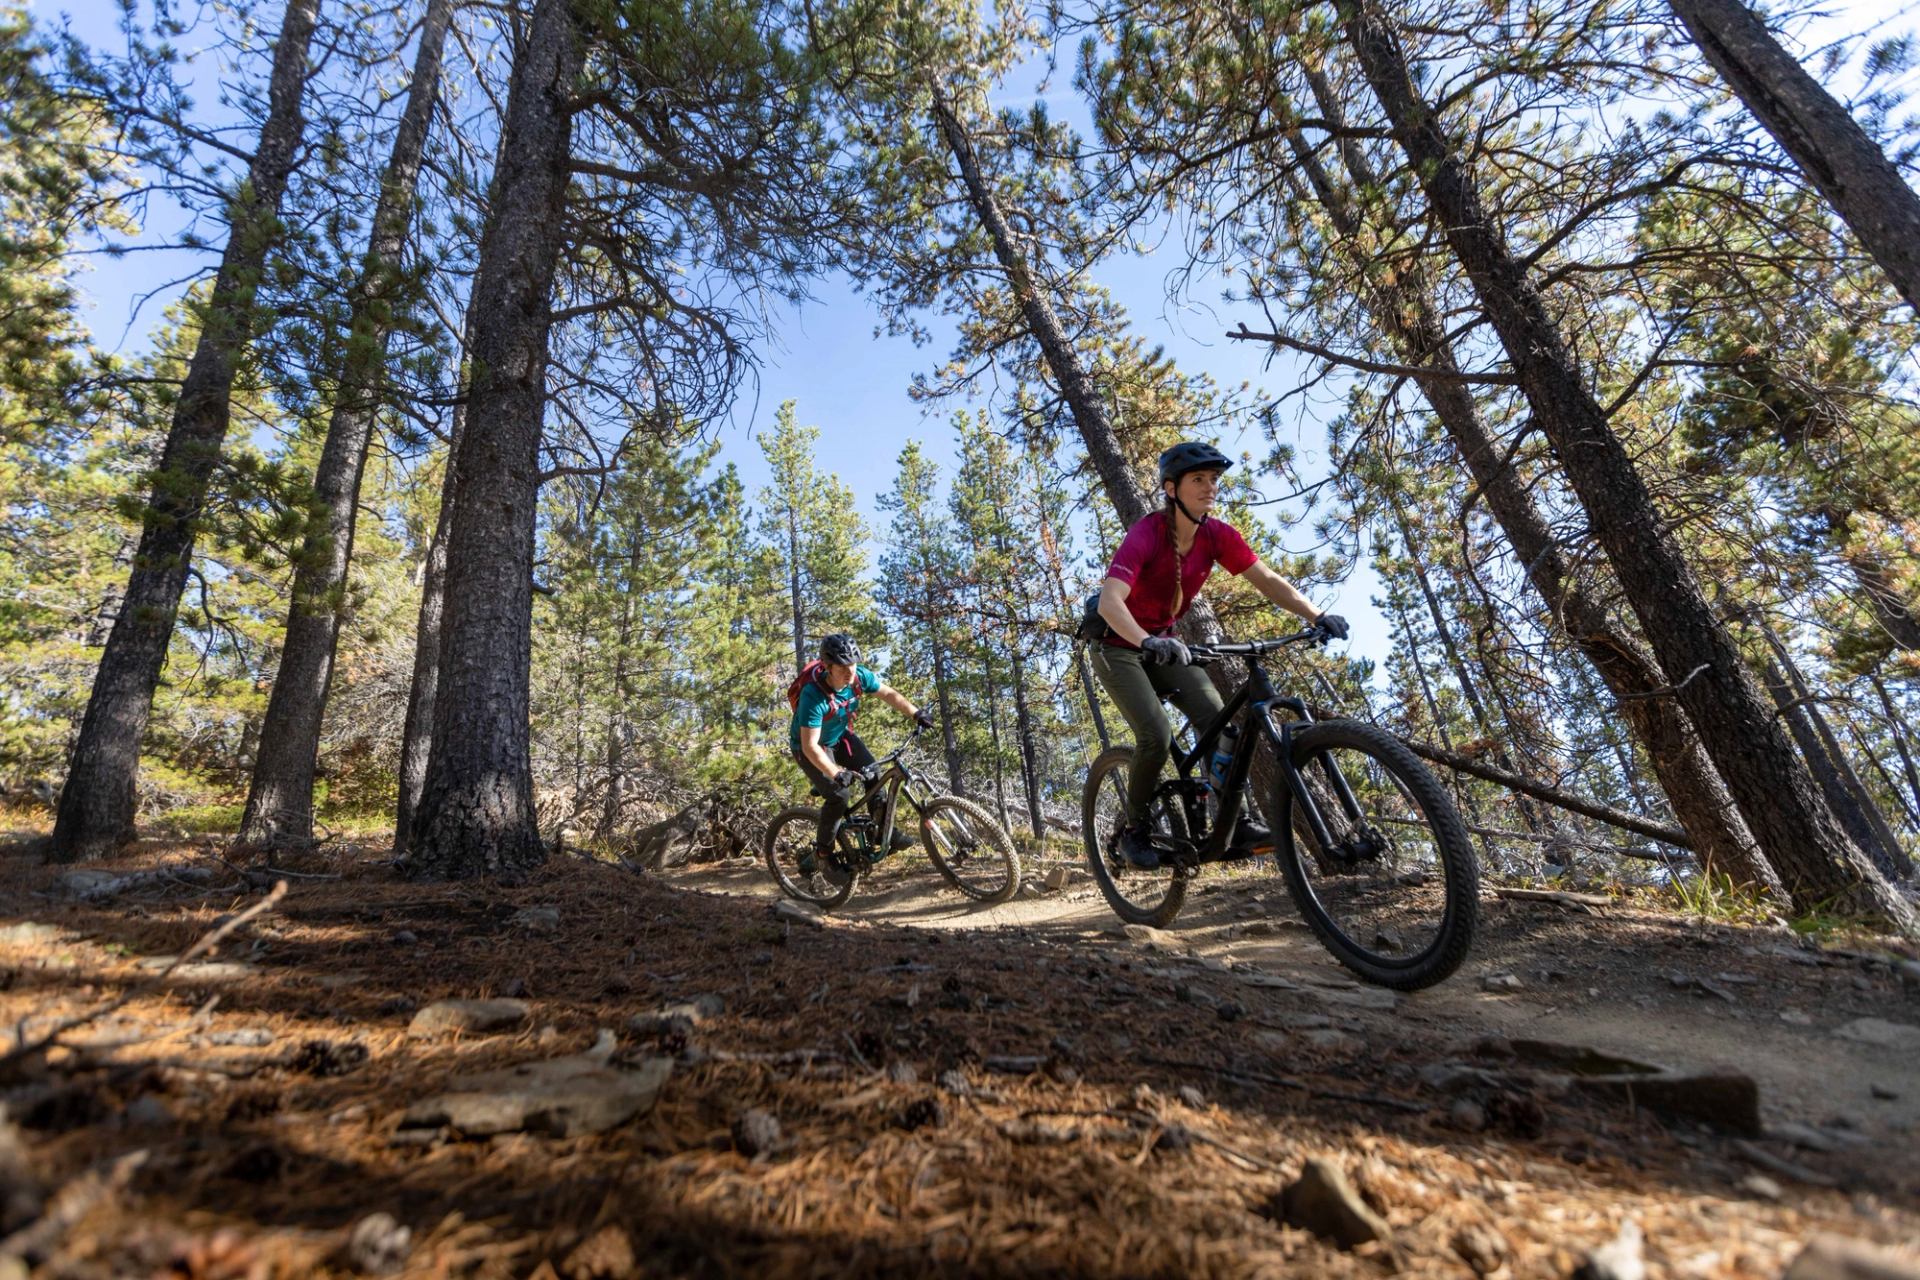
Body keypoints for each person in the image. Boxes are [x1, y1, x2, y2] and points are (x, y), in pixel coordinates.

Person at [1093, 442, 1349, 869]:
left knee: (1217, 722)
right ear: (1171, 489)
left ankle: (1238, 821)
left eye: (1214, 480)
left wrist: (1317, 614)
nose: (1210, 488)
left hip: (1163, 645)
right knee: (1155, 735)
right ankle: (1133, 829)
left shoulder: (1217, 535)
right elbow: (1110, 602)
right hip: (1118, 646)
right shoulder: (1147, 533)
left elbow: (1266, 579)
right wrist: (1145, 641)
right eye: (1199, 480)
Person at [789, 632, 936, 875]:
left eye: (853, 665)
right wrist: (835, 772)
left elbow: (888, 693)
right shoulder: (813, 696)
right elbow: (810, 746)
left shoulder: (858, 678)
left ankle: (879, 830)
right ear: (828, 667)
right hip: (810, 748)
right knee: (839, 795)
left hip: (839, 736)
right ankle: (822, 854)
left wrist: (915, 713)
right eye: (843, 668)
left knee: (872, 772)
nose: (850, 673)